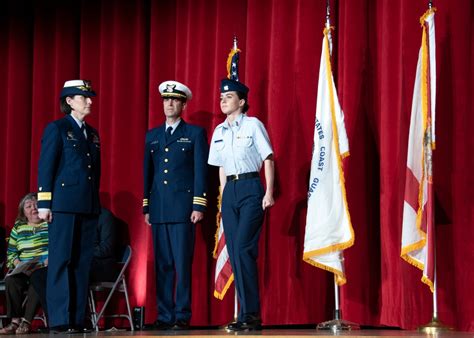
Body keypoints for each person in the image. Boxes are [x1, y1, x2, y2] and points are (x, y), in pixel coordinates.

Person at [208, 78, 275, 331]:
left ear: (242, 101)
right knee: (235, 253)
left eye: (228, 97)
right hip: (231, 192)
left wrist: (268, 192)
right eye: (221, 97)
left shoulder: (253, 125)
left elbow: (268, 158)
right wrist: (224, 198)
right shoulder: (219, 131)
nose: (223, 100)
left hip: (250, 188)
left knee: (245, 250)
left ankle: (252, 313)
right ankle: (245, 314)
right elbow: (222, 168)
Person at [143, 80, 208, 330]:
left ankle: (182, 314)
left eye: (174, 100)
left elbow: (201, 171)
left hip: (183, 208)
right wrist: (147, 206)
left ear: (183, 104)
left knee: (182, 263)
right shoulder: (153, 135)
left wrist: (198, 204)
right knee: (163, 264)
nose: (168, 104)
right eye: (165, 100)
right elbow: (148, 172)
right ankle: (164, 314)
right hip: (159, 208)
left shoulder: (194, 134)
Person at [37, 79, 101, 333]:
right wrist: (45, 203)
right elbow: (46, 167)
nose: (90, 101)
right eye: (84, 97)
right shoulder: (58, 128)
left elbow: (95, 172)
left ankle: (76, 317)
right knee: (62, 261)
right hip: (63, 205)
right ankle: (61, 319)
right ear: (69, 101)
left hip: (87, 204)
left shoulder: (92, 133)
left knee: (81, 262)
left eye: (89, 97)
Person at [0, 193, 48, 335]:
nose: (34, 209)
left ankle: (26, 322)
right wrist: (19, 263)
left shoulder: (49, 224)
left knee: (38, 279)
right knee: (11, 280)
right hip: (24, 267)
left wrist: (46, 260)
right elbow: (11, 253)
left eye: (36, 205)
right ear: (23, 212)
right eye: (29, 206)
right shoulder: (18, 228)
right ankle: (15, 322)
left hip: (43, 267)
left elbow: (57, 248)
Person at [89, 208, 119, 283]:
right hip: (86, 261)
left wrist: (85, 253)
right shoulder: (79, 216)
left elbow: (107, 248)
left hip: (103, 264)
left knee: (77, 269)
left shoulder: (105, 216)